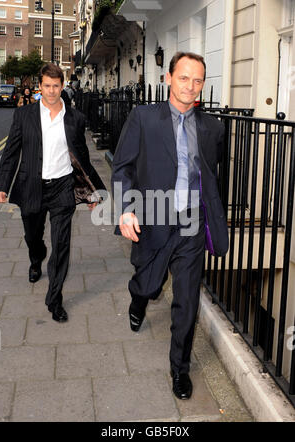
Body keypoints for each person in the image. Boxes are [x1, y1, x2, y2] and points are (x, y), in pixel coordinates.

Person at [111, 52, 229, 400]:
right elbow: (122, 166)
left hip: (192, 224)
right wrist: (127, 208)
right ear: (168, 78)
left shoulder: (212, 127)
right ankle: (138, 299)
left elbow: (210, 170)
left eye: (197, 80)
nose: (190, 86)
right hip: (154, 219)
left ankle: (179, 369)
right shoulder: (143, 117)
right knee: (148, 284)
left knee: (187, 301)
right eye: (184, 78)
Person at [0, 63, 105, 323]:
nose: (52, 91)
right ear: (40, 86)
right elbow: (10, 152)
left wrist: (92, 193)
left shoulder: (75, 118)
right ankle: (36, 257)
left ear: (63, 86)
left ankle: (54, 298)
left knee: (62, 244)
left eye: (56, 86)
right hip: (31, 186)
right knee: (32, 234)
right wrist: (1, 185)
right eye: (47, 86)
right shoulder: (25, 116)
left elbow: (83, 158)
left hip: (63, 188)